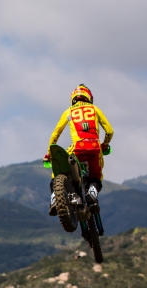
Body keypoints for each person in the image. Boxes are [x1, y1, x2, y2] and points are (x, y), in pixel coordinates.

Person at [44, 84, 113, 215]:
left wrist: (49, 153)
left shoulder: (68, 112)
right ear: (89, 97)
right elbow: (109, 131)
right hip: (95, 149)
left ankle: (54, 197)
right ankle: (92, 191)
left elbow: (55, 135)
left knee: (58, 171)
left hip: (77, 149)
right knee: (96, 176)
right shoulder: (95, 109)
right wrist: (105, 144)